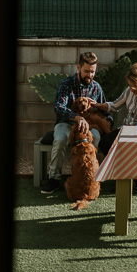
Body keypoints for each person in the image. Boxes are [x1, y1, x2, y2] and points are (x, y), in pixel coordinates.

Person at [41, 51, 108, 194]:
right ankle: (54, 179)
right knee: (60, 139)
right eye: (87, 71)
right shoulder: (66, 84)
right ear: (78, 67)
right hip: (66, 123)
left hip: (89, 125)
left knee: (95, 137)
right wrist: (76, 117)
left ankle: (89, 176)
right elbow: (59, 107)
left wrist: (103, 120)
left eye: (93, 72)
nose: (90, 75)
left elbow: (104, 112)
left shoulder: (96, 87)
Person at [94, 61, 137, 195]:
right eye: (130, 85)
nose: (132, 89)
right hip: (126, 130)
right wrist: (97, 105)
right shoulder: (129, 91)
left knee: (125, 146)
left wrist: (125, 133)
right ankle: (124, 179)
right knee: (105, 142)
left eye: (135, 86)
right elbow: (114, 106)